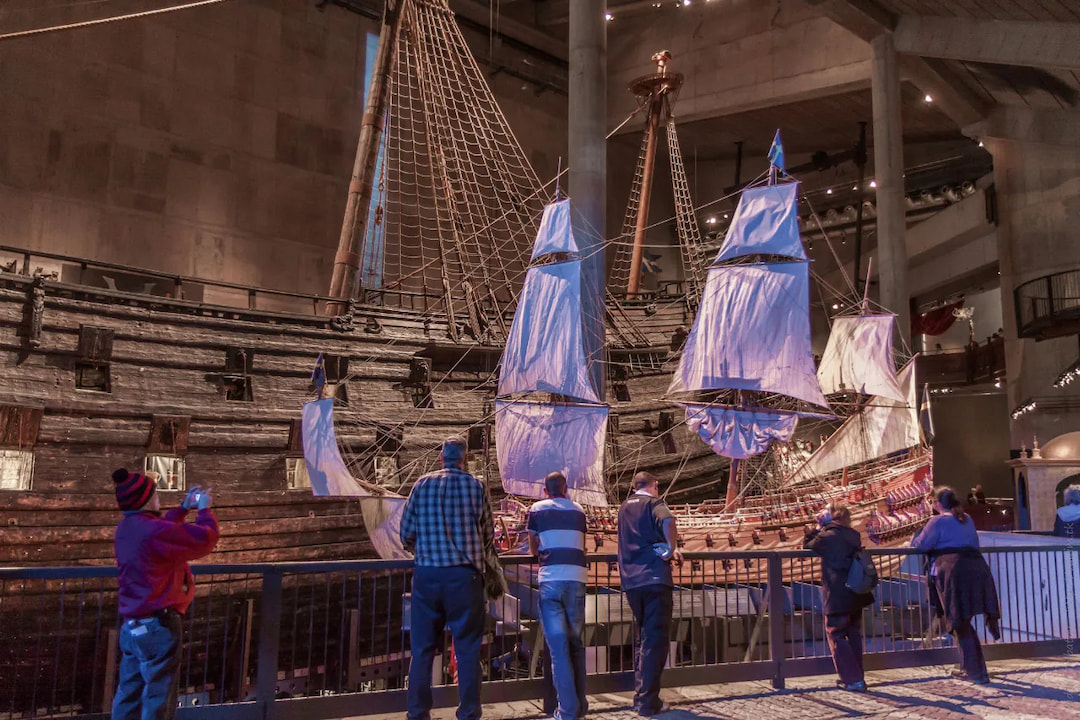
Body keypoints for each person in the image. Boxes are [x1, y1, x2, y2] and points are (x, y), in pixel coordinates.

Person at [111, 469, 219, 720]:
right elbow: (205, 539)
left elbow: (160, 531)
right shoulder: (153, 531)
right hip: (159, 625)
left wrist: (182, 509)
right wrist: (203, 510)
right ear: (146, 498)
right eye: (155, 492)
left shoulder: (126, 528)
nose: (157, 497)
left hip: (132, 626)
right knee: (159, 697)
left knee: (129, 693)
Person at [399, 439, 495, 720]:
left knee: (422, 650)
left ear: (441, 457)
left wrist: (423, 550)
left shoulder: (421, 484)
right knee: (467, 649)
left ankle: (417, 712)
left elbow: (406, 533)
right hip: (465, 577)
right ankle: (468, 713)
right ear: (465, 459)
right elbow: (488, 534)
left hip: (427, 575)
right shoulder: (476, 487)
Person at [910, 486, 1000, 685]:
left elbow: (922, 545)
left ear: (938, 503)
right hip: (976, 569)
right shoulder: (966, 519)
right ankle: (974, 669)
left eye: (932, 502)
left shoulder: (937, 521)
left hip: (952, 573)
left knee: (959, 621)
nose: (932, 506)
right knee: (963, 621)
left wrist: (916, 538)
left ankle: (975, 672)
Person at [617, 471, 682, 717]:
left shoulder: (623, 508)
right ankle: (648, 703)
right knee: (655, 641)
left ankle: (640, 696)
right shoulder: (655, 503)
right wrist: (670, 549)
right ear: (655, 485)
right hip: (654, 580)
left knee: (644, 639)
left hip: (631, 582)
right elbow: (668, 521)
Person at [527, 472, 588, 720]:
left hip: (551, 580)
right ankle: (581, 705)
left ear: (545, 490)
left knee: (558, 650)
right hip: (577, 578)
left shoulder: (537, 509)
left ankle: (567, 711)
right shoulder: (579, 510)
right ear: (566, 489)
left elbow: (533, 544)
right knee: (576, 645)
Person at [803, 502, 873, 692]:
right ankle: (858, 677)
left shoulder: (826, 536)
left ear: (832, 516)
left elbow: (807, 545)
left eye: (825, 511)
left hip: (836, 593)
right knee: (853, 633)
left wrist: (818, 527)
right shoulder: (854, 534)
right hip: (856, 591)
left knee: (836, 633)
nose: (821, 513)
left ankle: (852, 679)